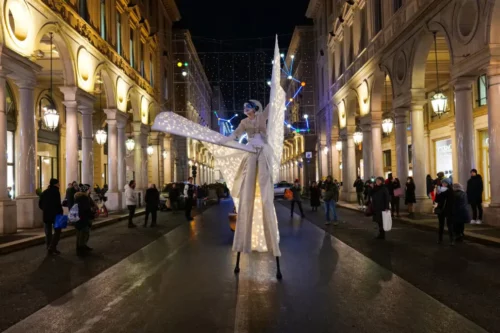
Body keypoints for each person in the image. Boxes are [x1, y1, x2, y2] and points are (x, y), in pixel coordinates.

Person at [39, 178, 63, 255]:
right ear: (55, 184)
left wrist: (45, 209)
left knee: (48, 232)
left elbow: (40, 204)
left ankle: (49, 247)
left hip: (46, 215)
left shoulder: (44, 192)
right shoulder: (56, 192)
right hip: (56, 215)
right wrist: (60, 213)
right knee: (58, 232)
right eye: (58, 183)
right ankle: (52, 247)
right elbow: (58, 204)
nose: (59, 185)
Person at [74, 184, 93, 256]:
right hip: (83, 219)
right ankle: (81, 250)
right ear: (86, 190)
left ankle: (79, 248)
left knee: (79, 235)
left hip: (78, 219)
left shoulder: (77, 197)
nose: (90, 190)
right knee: (83, 234)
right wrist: (92, 214)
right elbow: (86, 209)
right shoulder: (84, 198)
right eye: (89, 189)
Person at [435, 178, 455, 245]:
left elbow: (451, 201)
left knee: (450, 225)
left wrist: (443, 194)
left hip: (448, 209)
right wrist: (437, 194)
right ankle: (440, 239)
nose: (443, 184)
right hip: (441, 210)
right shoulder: (439, 190)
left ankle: (452, 240)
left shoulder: (450, 191)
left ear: (448, 184)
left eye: (445, 183)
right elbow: (436, 200)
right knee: (441, 225)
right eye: (443, 183)